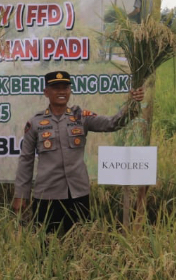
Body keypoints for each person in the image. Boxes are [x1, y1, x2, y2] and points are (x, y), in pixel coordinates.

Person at [13, 71, 145, 233]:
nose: (61, 92)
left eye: (65, 87)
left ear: (70, 91)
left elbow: (113, 123)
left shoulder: (81, 117)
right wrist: (21, 194)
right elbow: (26, 160)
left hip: (77, 194)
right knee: (45, 246)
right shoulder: (35, 123)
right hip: (47, 194)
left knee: (79, 242)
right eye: (56, 88)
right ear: (46, 92)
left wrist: (133, 104)